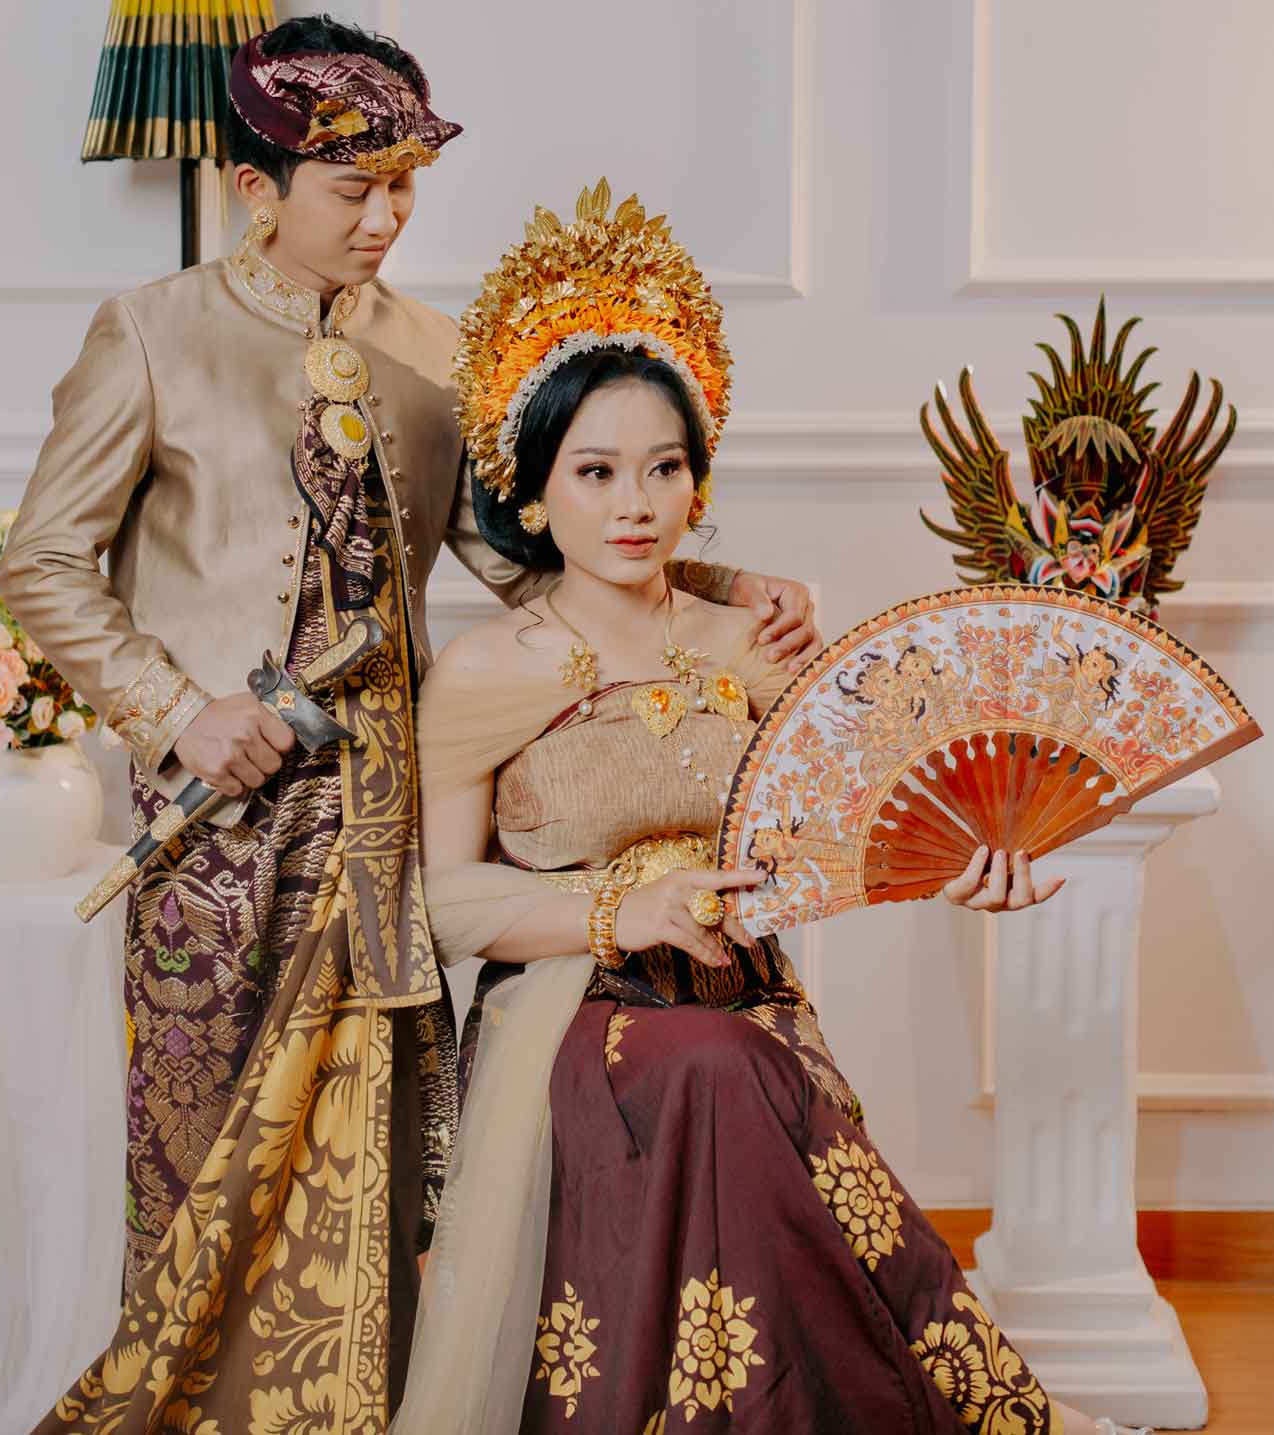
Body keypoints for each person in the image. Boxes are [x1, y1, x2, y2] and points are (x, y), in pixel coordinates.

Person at [0, 30, 819, 1431]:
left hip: (387, 829)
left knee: (374, 1161)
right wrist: (177, 713)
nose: (386, 218)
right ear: (253, 186)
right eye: (352, 189)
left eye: (403, 187)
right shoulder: (150, 331)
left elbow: (528, 560)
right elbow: (44, 561)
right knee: (209, 1156)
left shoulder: (438, 358)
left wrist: (731, 589)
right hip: (220, 842)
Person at [395, 182, 1150, 1435]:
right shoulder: (485, 671)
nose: (634, 504)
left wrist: (963, 868)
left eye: (664, 468)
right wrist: (622, 908)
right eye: (594, 471)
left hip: (750, 1009)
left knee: (734, 1063)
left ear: (697, 482)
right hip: (570, 1020)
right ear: (532, 494)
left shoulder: (755, 641)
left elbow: (849, 829)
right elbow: (439, 898)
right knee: (717, 1069)